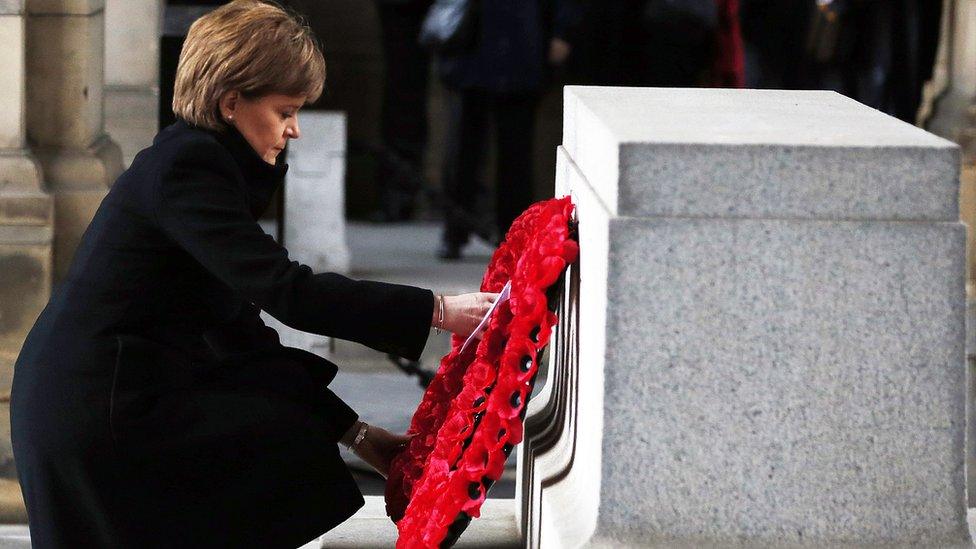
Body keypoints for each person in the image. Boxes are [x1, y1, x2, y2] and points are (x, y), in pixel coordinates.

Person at [10, 2, 497, 547]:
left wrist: (361, 437)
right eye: (285, 110)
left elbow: (238, 334)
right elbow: (288, 291)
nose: (294, 130)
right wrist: (436, 311)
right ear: (230, 102)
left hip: (106, 400)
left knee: (277, 424)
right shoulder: (188, 169)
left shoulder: (201, 164)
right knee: (276, 442)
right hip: (99, 410)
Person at [435, 0, 581, 260]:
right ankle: (454, 231)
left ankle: (513, 234)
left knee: (516, 153)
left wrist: (562, 31)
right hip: (472, 46)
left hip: (521, 45)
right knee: (462, 149)